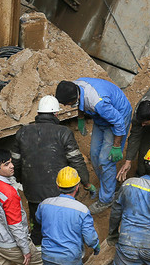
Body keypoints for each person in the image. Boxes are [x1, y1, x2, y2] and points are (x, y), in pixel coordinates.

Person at [11, 95, 94, 247]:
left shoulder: (22, 132)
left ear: (39, 113)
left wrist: (22, 180)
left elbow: (15, 162)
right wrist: (86, 182)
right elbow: (76, 160)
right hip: (58, 190)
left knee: (37, 225)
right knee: (61, 223)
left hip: (32, 190)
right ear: (56, 114)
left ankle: (38, 255)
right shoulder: (63, 133)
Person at [55, 78, 132, 215]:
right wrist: (80, 118)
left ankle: (107, 198)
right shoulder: (75, 86)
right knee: (95, 155)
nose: (66, 107)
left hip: (118, 115)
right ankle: (108, 187)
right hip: (101, 118)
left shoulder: (98, 102)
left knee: (105, 160)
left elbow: (118, 123)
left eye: (67, 104)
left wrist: (116, 146)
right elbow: (80, 104)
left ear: (73, 99)